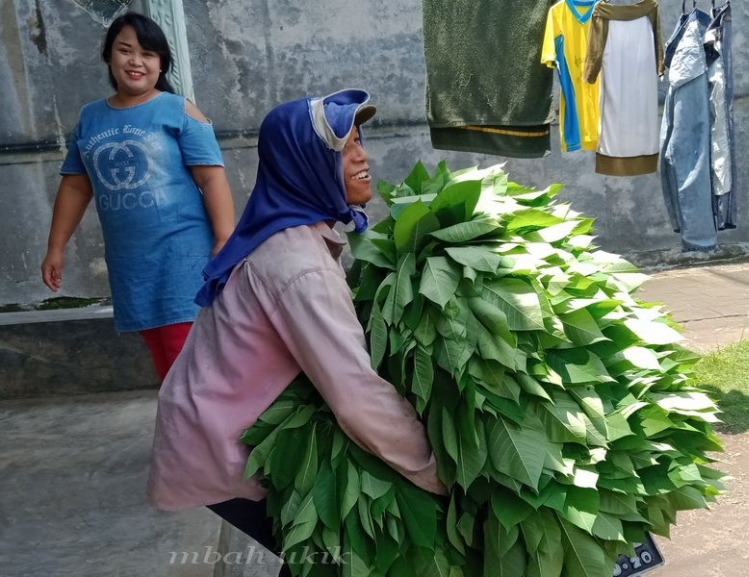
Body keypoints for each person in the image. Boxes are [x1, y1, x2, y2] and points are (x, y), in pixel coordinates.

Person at [147, 89, 446, 573]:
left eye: (360, 140)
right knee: (332, 557)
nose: (361, 155)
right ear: (304, 163)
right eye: (343, 147)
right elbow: (355, 395)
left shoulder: (297, 232)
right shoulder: (297, 266)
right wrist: (439, 474)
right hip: (219, 440)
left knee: (319, 556)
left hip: (222, 418)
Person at [40, 12, 235, 381]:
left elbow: (212, 179)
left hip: (183, 254)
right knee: (162, 356)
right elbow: (76, 186)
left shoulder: (179, 111)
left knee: (185, 357)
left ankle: (199, 434)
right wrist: (56, 248)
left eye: (147, 53)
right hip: (131, 262)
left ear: (161, 63)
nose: (135, 61)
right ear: (108, 56)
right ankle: (187, 433)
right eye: (125, 50)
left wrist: (225, 240)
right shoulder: (90, 117)